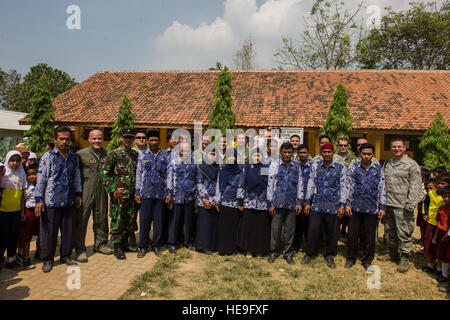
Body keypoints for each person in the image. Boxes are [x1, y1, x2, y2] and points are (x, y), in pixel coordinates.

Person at [35, 126, 82, 272]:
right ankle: (47, 259)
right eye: (61, 139)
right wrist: (39, 199)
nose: (64, 142)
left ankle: (66, 255)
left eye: (67, 139)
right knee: (49, 232)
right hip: (51, 200)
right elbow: (41, 179)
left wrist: (78, 193)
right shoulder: (48, 157)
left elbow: (76, 177)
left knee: (68, 230)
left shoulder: (74, 157)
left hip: (69, 199)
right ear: (55, 140)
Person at [379, 137, 422, 273]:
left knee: (403, 232)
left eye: (399, 147)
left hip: (403, 205)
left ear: (404, 148)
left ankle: (404, 257)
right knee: (389, 230)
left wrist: (410, 204)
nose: (396, 149)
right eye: (394, 147)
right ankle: (392, 253)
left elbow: (416, 186)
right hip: (389, 204)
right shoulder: (388, 164)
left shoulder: (411, 165)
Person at [302, 143, 346, 269]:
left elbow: (343, 187)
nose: (326, 154)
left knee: (332, 233)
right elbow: (311, 183)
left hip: (333, 205)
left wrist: (342, 205)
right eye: (324, 152)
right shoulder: (315, 166)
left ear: (333, 153)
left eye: (329, 152)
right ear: (321, 153)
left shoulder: (340, 167)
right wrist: (307, 202)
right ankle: (310, 253)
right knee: (313, 230)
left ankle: (330, 256)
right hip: (317, 204)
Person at [344, 143, 386, 271]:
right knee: (352, 235)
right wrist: (347, 203)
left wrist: (382, 206)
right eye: (364, 154)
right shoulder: (354, 167)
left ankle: (367, 260)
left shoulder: (378, 169)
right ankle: (351, 258)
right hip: (355, 207)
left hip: (371, 208)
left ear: (372, 154)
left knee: (369, 236)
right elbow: (348, 185)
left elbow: (382, 187)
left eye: (369, 154)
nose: (366, 156)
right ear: (360, 154)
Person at [73, 129, 112, 263]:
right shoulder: (81, 154)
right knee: (82, 219)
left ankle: (100, 244)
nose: (97, 141)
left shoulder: (107, 154)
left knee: (101, 217)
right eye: (94, 139)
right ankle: (79, 249)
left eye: (99, 139)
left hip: (102, 189)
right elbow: (75, 175)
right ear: (89, 139)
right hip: (86, 189)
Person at [100, 128, 139, 260]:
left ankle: (126, 244)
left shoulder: (135, 155)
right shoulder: (114, 154)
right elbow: (104, 173)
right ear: (121, 138)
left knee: (129, 220)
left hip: (132, 195)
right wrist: (112, 190)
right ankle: (117, 247)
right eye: (126, 137)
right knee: (117, 220)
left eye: (130, 137)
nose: (128, 140)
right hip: (119, 195)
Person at [135, 130, 170, 258]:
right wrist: (137, 191)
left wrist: (168, 192)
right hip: (146, 193)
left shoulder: (165, 156)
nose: (154, 142)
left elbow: (168, 175)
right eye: (151, 140)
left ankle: (156, 245)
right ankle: (143, 246)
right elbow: (139, 174)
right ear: (148, 141)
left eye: (156, 140)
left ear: (159, 141)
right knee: (144, 221)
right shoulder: (143, 155)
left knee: (158, 221)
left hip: (160, 194)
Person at [267, 142, 302, 265]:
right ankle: (273, 252)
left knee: (290, 231)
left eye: (289, 152)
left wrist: (299, 202)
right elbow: (270, 185)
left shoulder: (297, 166)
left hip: (292, 204)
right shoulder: (275, 165)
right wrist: (270, 203)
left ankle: (288, 253)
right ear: (281, 152)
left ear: (293, 153)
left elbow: (300, 185)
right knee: (275, 230)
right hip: (277, 203)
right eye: (285, 152)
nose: (287, 155)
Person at [236, 148, 271, 257]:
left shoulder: (265, 168)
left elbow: (268, 184)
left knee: (260, 227)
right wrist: (241, 201)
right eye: (255, 156)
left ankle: (260, 250)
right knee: (249, 227)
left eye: (259, 156)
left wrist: (269, 201)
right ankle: (249, 250)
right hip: (249, 201)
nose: (257, 158)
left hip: (262, 202)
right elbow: (241, 185)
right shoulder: (246, 168)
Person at [166, 141, 197, 253]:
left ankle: (188, 242)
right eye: (182, 150)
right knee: (175, 221)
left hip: (190, 195)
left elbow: (197, 178)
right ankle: (172, 243)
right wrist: (169, 193)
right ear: (179, 151)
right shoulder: (173, 162)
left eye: (187, 150)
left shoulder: (194, 162)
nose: (185, 152)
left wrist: (196, 192)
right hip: (177, 195)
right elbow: (169, 178)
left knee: (188, 220)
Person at [0, 151, 27, 269]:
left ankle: (11, 259)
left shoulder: (22, 174)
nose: (15, 163)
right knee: (2, 236)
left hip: (15, 211)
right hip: (3, 211)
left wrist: (22, 211)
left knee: (13, 236)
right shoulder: (3, 173)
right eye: (12, 160)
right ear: (7, 160)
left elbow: (22, 195)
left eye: (17, 160)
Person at [214, 148, 243, 256]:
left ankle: (232, 249)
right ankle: (223, 249)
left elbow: (241, 186)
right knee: (224, 226)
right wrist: (217, 201)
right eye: (229, 156)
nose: (231, 158)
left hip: (235, 202)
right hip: (224, 202)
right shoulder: (222, 170)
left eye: (233, 156)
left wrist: (240, 202)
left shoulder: (240, 170)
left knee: (233, 226)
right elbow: (218, 186)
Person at [421, 173, 449, 277]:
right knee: (428, 245)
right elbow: (425, 204)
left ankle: (440, 268)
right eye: (438, 183)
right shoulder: (431, 194)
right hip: (431, 223)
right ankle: (430, 265)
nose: (440, 185)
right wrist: (425, 213)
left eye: (443, 183)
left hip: (443, 226)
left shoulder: (447, 197)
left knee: (440, 247)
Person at [195, 149, 220, 255]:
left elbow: (219, 183)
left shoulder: (218, 167)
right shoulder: (201, 166)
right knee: (204, 224)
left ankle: (211, 245)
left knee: (212, 224)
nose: (212, 156)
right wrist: (205, 198)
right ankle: (202, 246)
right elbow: (199, 183)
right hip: (204, 199)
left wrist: (216, 199)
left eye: (214, 154)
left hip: (215, 198)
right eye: (210, 153)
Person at [17, 164, 39, 269]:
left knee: (41, 234)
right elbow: (23, 199)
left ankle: (39, 253)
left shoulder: (42, 184)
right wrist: (22, 213)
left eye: (34, 174)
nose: (32, 177)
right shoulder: (26, 186)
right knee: (27, 236)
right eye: (29, 174)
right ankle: (26, 257)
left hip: (41, 211)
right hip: (29, 211)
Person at [293, 144, 312, 252]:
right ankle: (296, 245)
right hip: (297, 200)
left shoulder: (313, 166)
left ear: (308, 153)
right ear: (298, 154)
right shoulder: (294, 165)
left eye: (305, 153)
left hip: (309, 200)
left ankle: (308, 246)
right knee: (297, 224)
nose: (303, 155)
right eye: (301, 153)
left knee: (309, 225)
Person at [433, 184, 450, 284]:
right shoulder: (441, 209)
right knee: (442, 255)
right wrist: (435, 236)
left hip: (448, 235)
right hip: (442, 235)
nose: (446, 199)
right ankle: (443, 275)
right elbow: (438, 223)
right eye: (444, 196)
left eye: (449, 196)